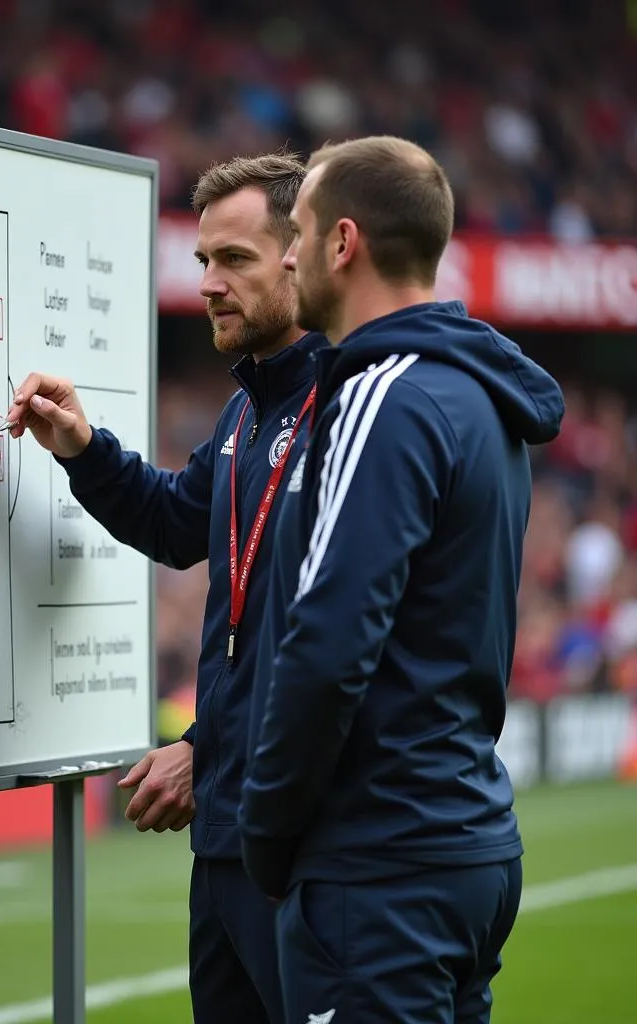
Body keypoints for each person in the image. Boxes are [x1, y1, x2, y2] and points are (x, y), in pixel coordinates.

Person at [238, 135, 565, 1023]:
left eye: (297, 230)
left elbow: (331, 639)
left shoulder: (388, 395)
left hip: (379, 862)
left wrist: (265, 835)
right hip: (459, 845)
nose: (288, 252)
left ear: (344, 243)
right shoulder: (476, 396)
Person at [4, 152, 327, 1024]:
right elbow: (176, 523)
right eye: (202, 263)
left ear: (301, 258)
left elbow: (317, 645)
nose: (209, 285)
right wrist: (82, 446)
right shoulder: (245, 411)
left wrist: (205, 748)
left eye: (235, 261)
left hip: (299, 844)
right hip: (223, 837)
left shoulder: (343, 414)